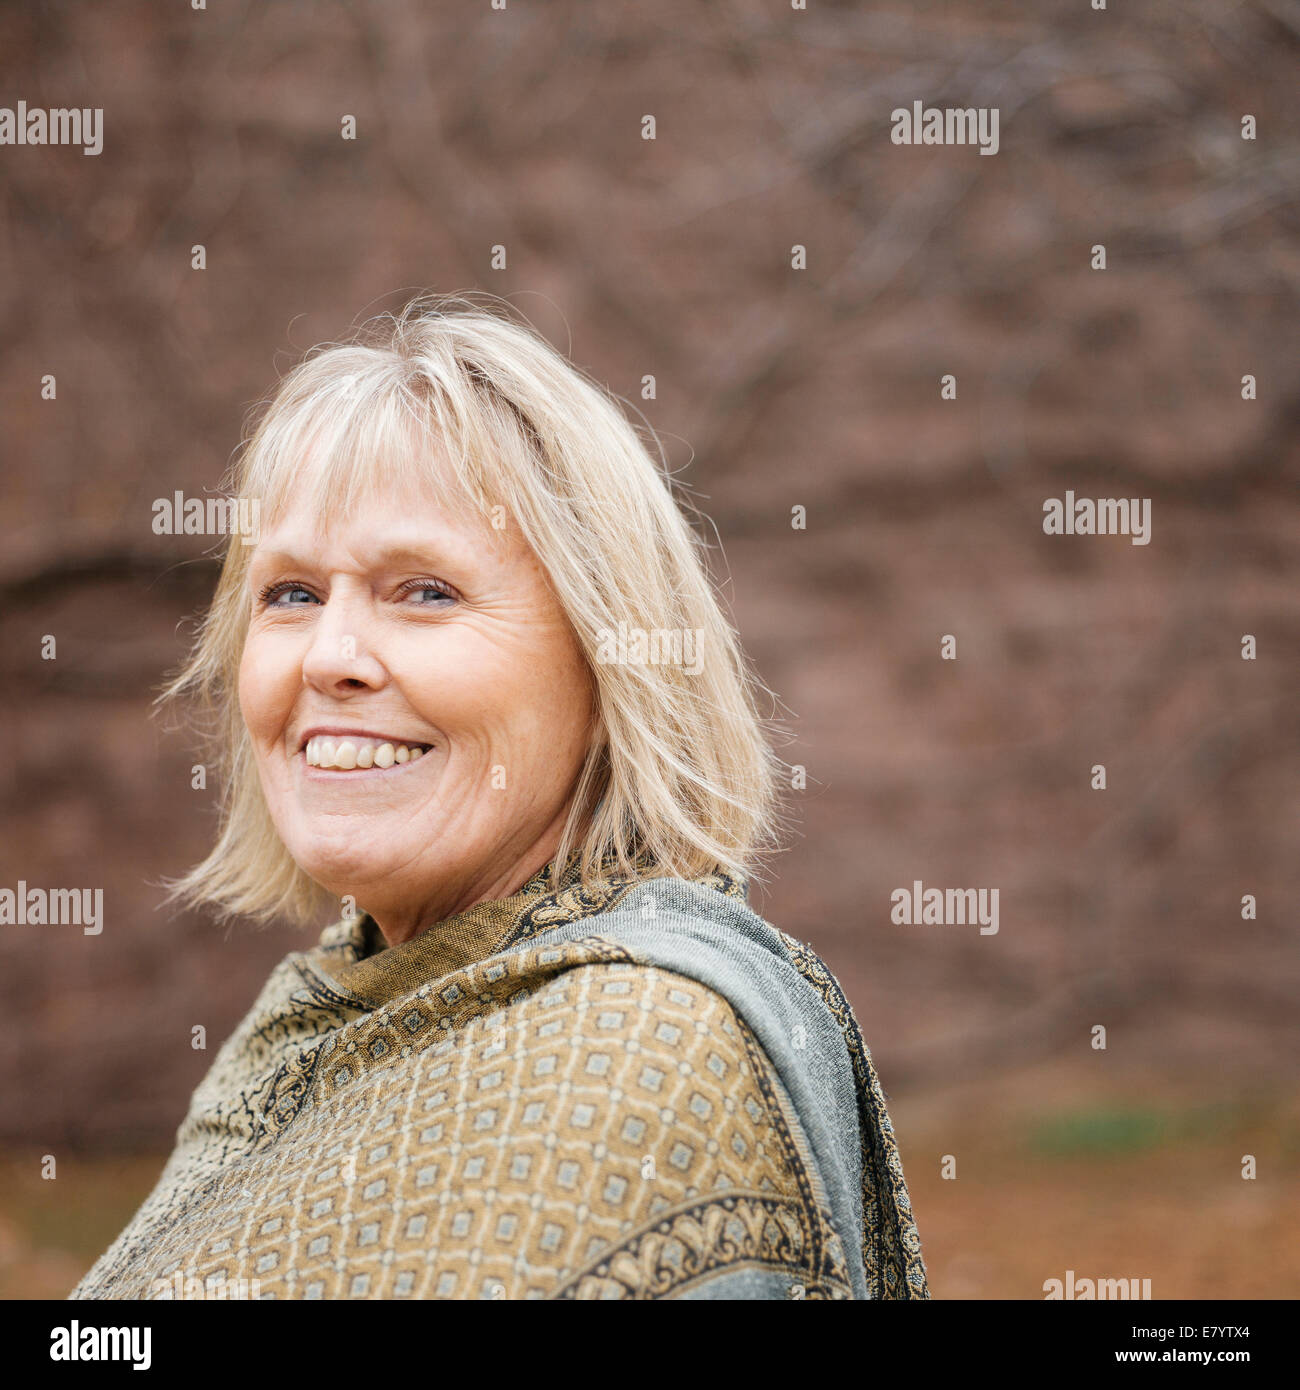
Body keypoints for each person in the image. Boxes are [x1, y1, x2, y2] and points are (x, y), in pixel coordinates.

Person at [70, 293, 928, 1300]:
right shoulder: (298, 1033)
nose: (331, 656)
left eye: (424, 590)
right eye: (291, 593)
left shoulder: (643, 1048)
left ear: (611, 667)